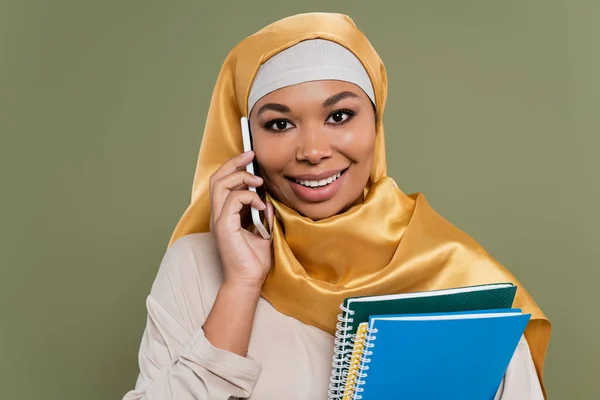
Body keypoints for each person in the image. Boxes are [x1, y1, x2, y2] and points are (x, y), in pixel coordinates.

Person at [123, 12, 551, 400]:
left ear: (376, 123)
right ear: (246, 140)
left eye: (340, 116)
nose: (312, 150)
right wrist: (240, 286)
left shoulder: (458, 278)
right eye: (279, 124)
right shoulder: (197, 269)